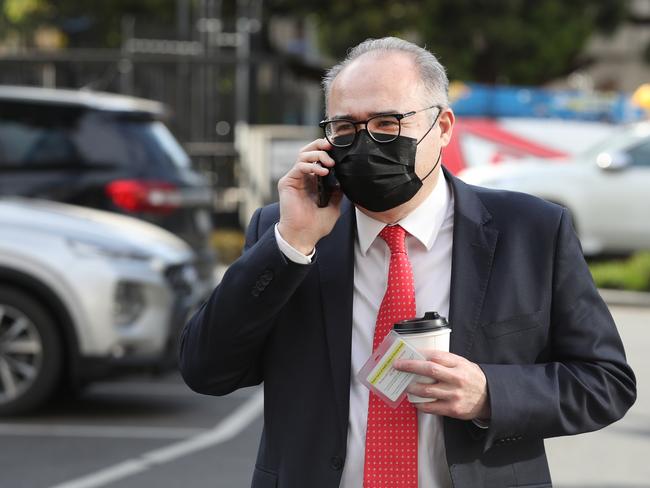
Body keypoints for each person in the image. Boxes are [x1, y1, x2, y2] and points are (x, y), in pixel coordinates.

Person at [179, 37, 636, 488]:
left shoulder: (531, 231)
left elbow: (605, 382)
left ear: (442, 128)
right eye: (345, 128)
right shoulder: (288, 234)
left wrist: (490, 394)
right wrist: (292, 244)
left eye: (388, 122)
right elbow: (207, 369)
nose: (366, 142)